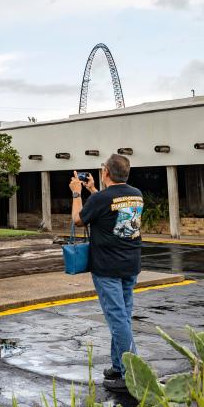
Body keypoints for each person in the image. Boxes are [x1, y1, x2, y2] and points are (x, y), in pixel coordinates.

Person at [70, 153, 144, 393]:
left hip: (107, 268)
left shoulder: (102, 198)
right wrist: (93, 190)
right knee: (123, 315)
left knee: (117, 319)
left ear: (107, 173)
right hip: (130, 265)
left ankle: (132, 374)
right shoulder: (136, 194)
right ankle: (118, 365)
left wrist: (76, 193)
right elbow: (112, 212)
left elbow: (78, 220)